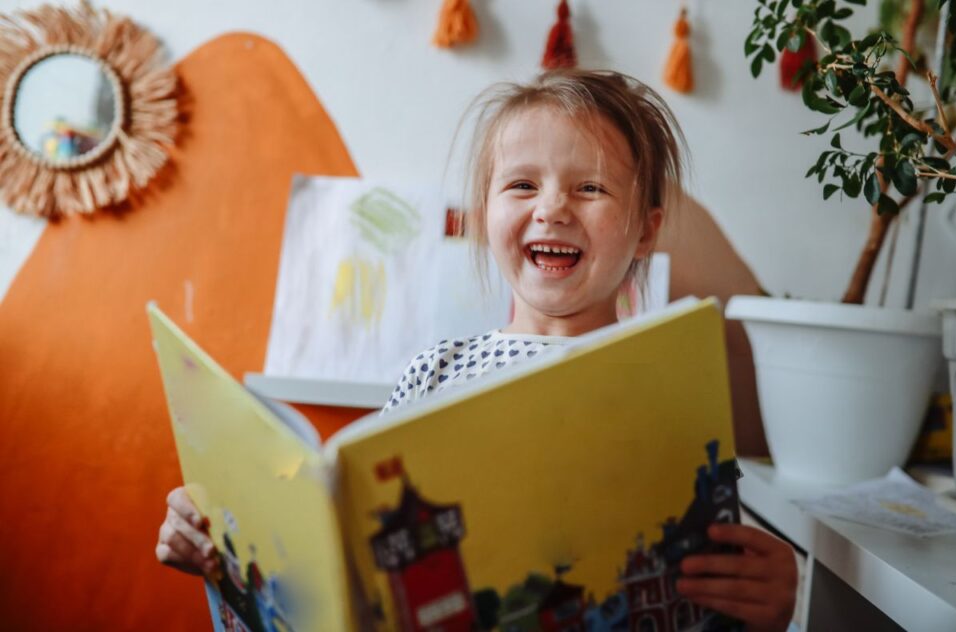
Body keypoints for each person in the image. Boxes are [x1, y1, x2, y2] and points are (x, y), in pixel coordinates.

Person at [157, 69, 797, 631]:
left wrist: (766, 608)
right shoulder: (434, 373)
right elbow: (345, 547)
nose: (552, 208)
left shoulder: (667, 389)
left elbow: (702, 581)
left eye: (591, 188)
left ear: (644, 231)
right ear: (483, 215)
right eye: (521, 185)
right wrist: (223, 536)